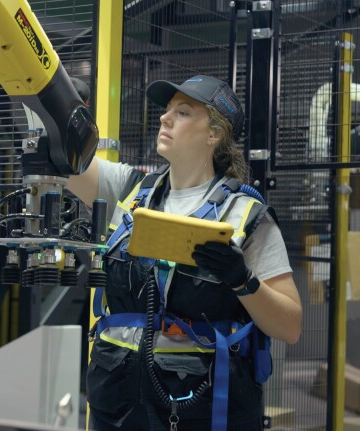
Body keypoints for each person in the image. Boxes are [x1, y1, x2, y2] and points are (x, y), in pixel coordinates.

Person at [66, 75, 302, 431]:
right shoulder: (128, 190)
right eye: (166, 110)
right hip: (115, 404)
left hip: (200, 409)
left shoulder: (245, 215)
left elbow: (291, 326)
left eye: (183, 112)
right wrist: (57, 106)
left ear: (214, 134)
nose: (164, 118)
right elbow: (63, 160)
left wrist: (243, 280)